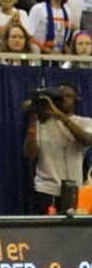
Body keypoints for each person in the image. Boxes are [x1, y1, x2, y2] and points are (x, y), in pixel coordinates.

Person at [24, 83, 92, 213]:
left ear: (76, 99)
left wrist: (59, 115)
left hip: (73, 189)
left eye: (68, 96)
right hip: (46, 189)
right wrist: (33, 121)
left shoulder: (85, 122)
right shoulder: (43, 123)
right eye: (60, 96)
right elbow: (30, 154)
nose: (63, 99)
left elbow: (87, 140)